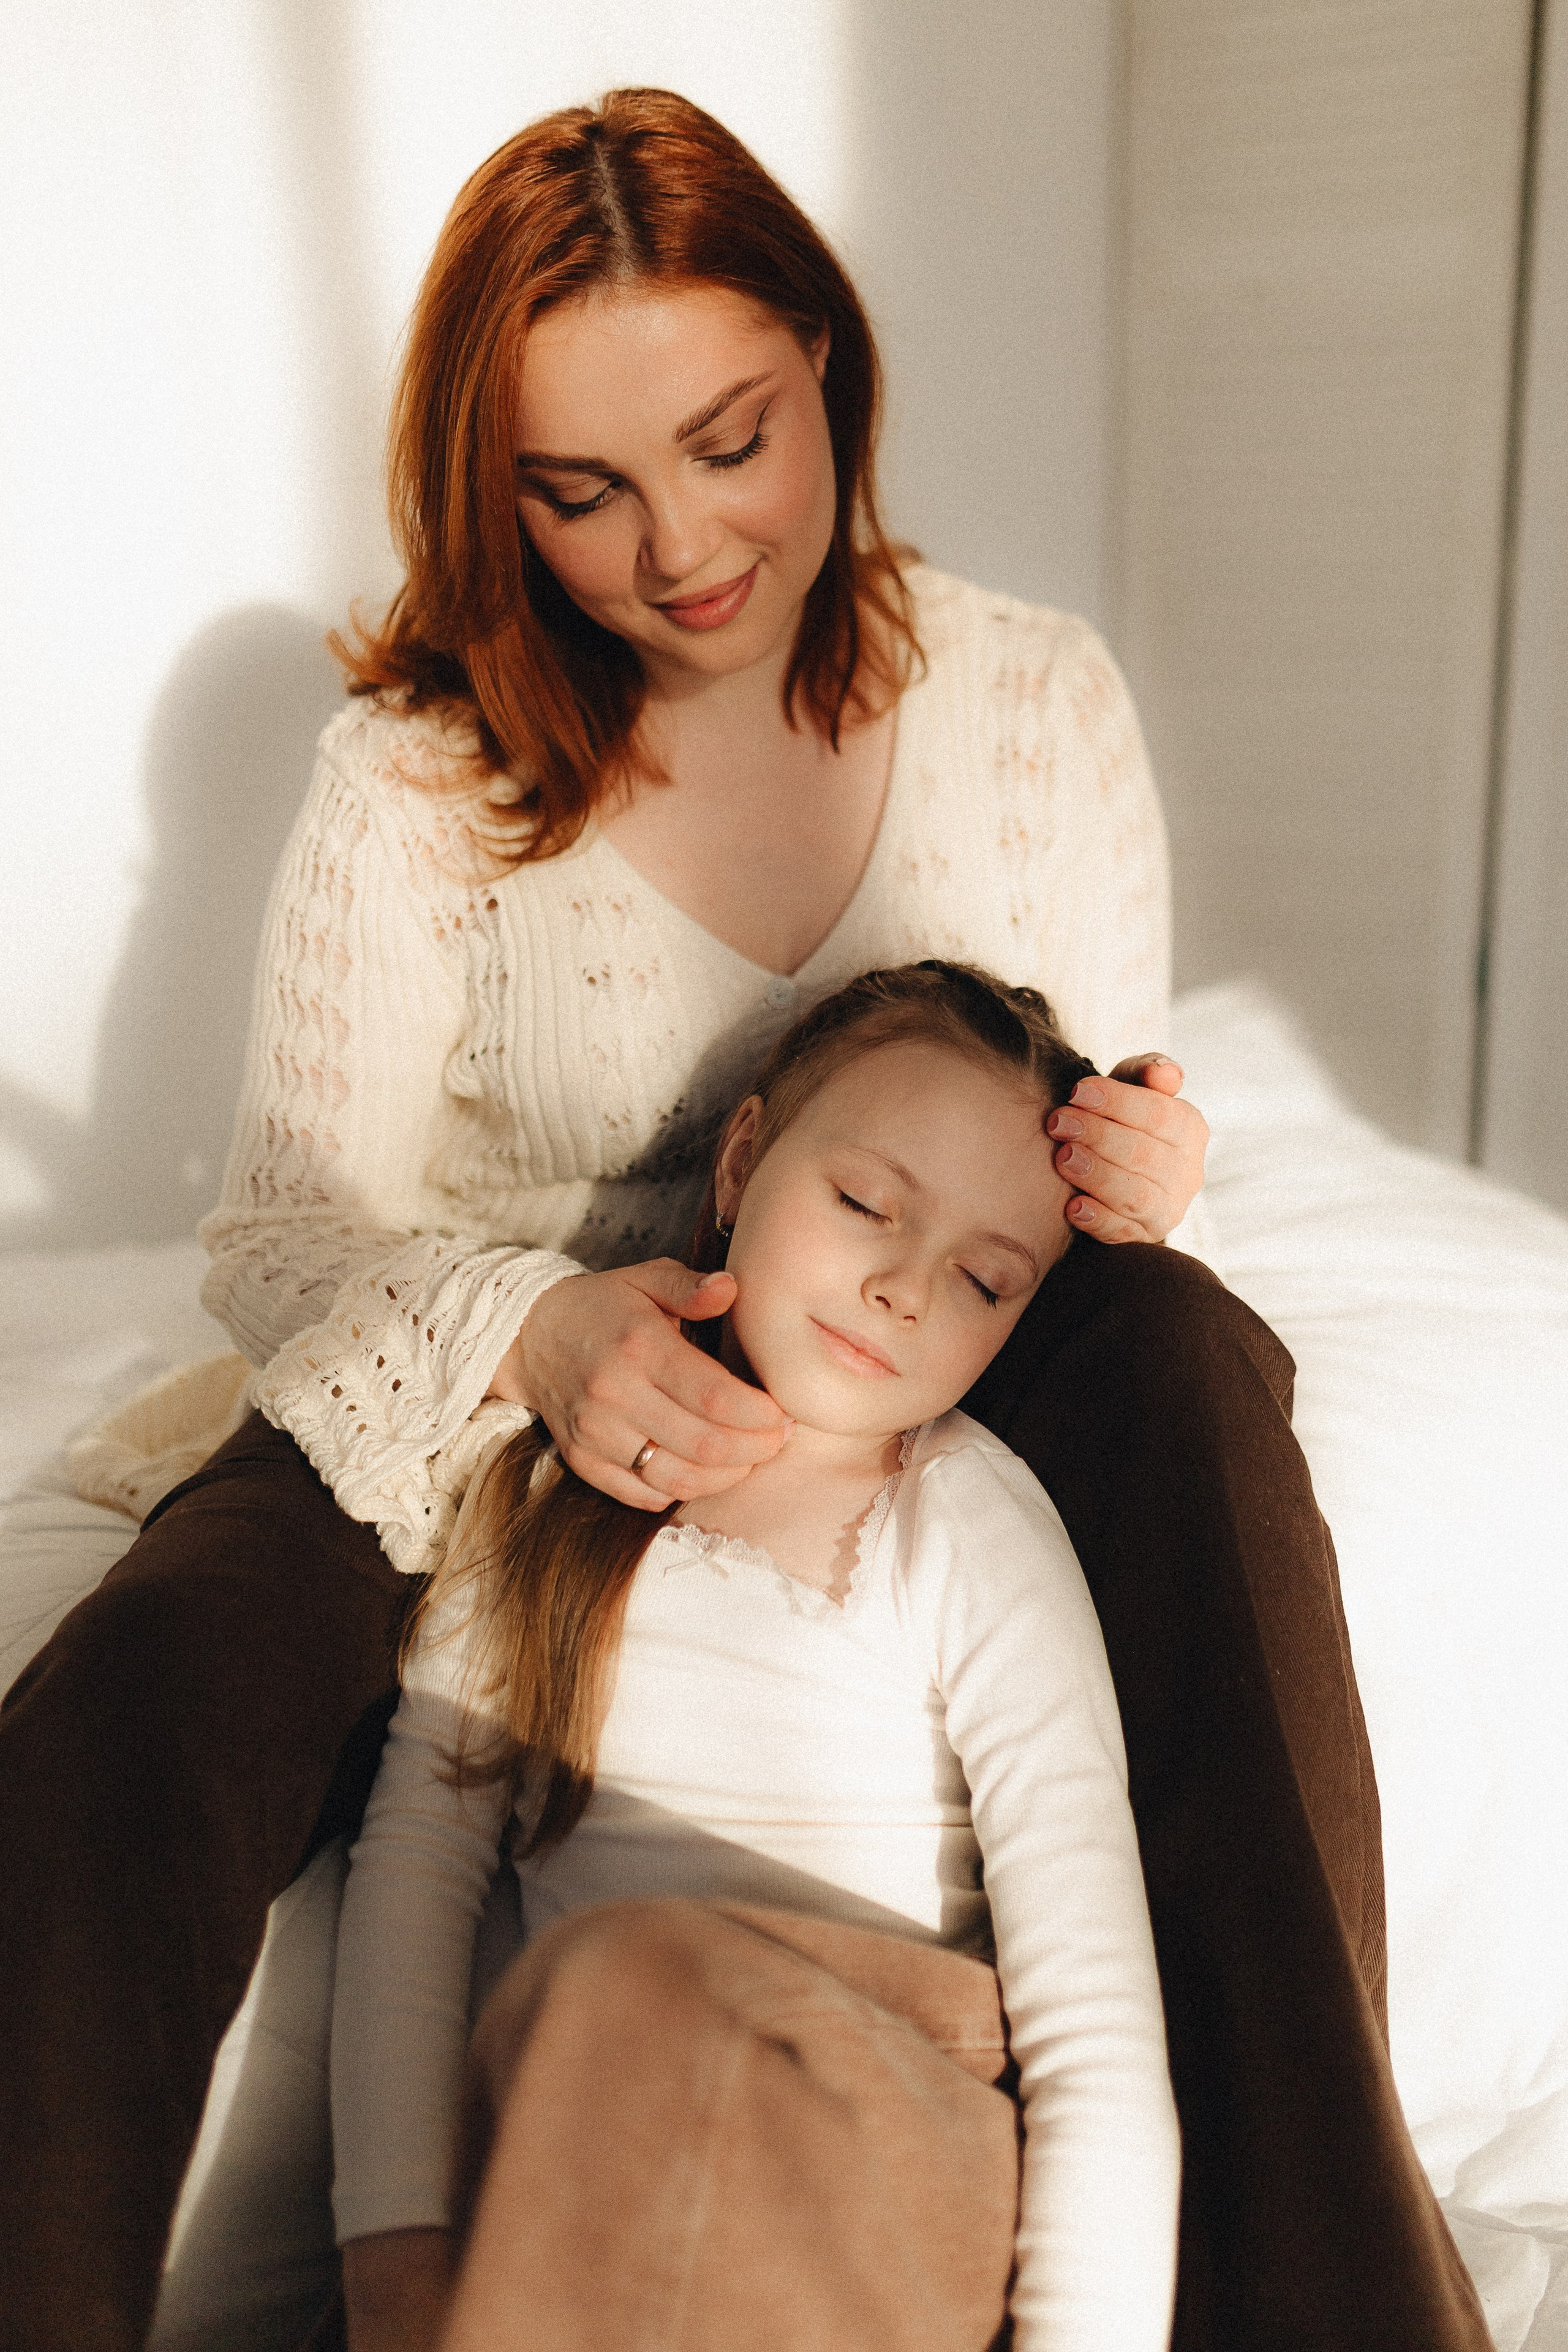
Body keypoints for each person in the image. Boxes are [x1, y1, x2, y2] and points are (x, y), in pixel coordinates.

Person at [0, 86, 1486, 2352]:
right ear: (492, 493)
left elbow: (1058, 1137)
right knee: (144, 1685)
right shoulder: (412, 779)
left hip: (897, 1367)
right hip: (485, 1377)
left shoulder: (1032, 705)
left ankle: (1342, 2310)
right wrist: (541, 1333)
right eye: (577, 491)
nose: (681, 543)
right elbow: (293, 1245)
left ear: (829, 365)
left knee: (1193, 1364)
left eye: (732, 438)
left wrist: (1142, 1179)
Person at [333, 962, 1183, 2352]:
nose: (903, 1289)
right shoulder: (546, 1494)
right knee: (598, 1999)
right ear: (741, 1161)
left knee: (624, 1983)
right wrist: (393, 2256)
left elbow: (1091, 2017)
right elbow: (418, 1870)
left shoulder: (962, 1528)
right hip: (594, 2145)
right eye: (862, 1204)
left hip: (889, 2134)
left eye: (981, 1279)